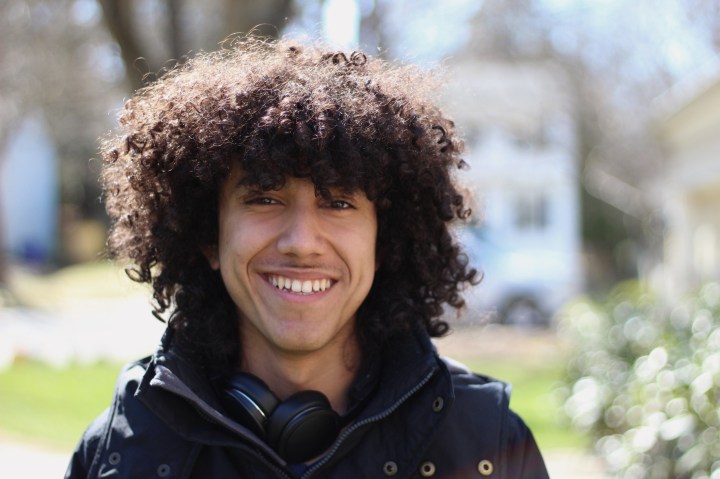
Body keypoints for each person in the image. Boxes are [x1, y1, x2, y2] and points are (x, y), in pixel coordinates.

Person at [65, 36, 549, 479]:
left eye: (337, 203)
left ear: (384, 241)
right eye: (264, 198)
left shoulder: (490, 446)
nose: (301, 242)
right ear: (209, 236)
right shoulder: (120, 452)